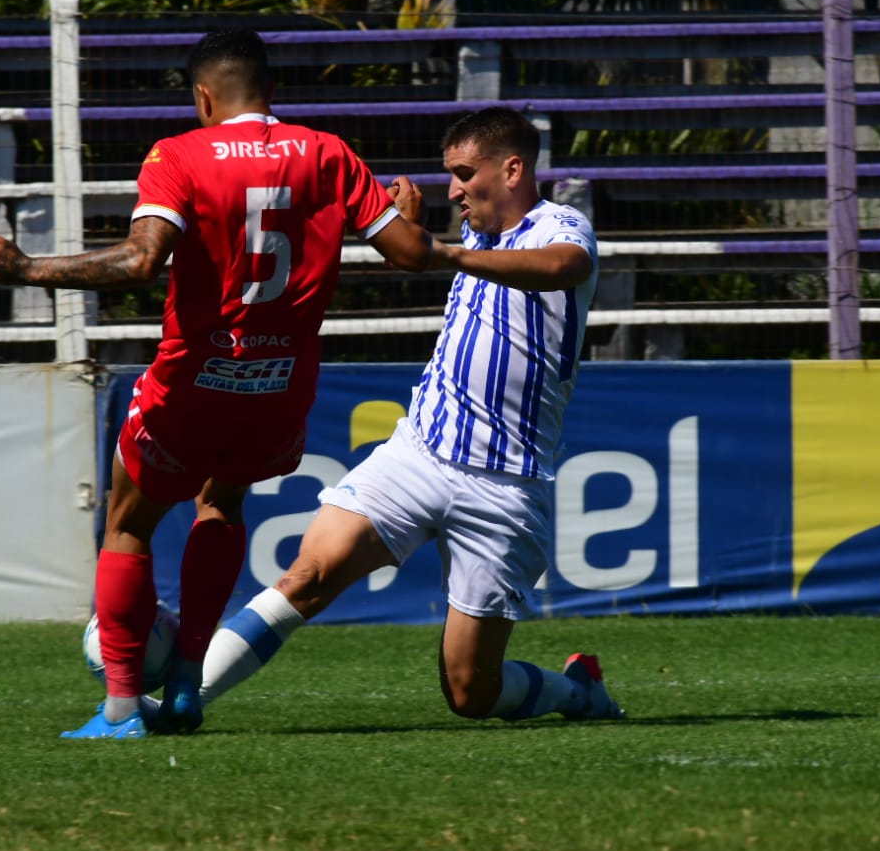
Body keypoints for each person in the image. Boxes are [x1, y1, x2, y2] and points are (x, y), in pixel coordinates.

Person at [0, 28, 434, 739]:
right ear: (271, 93)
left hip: (193, 380)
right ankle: (185, 687)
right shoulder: (328, 152)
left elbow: (138, 263)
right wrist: (409, 215)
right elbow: (408, 254)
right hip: (279, 385)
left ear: (202, 98)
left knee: (128, 523)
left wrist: (27, 269)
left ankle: (123, 708)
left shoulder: (178, 155)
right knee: (220, 507)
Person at [192, 106, 625, 730]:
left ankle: (578, 691)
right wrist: (405, 231)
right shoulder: (472, 238)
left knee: (471, 692)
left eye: (463, 173)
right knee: (306, 576)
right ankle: (177, 703)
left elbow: (566, 268)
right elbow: (422, 254)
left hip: (504, 484)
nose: (454, 188)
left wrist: (443, 251)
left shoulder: (558, 225)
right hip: (417, 453)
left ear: (512, 168)